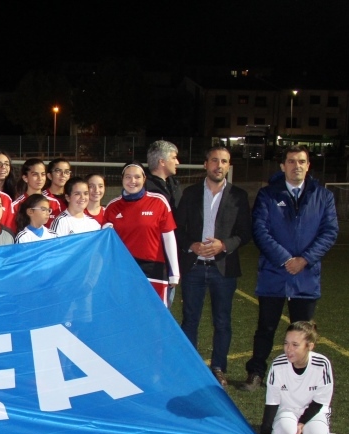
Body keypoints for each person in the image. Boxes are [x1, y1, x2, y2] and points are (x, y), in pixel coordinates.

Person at [244, 145, 338, 390]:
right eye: (291, 161)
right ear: (283, 166)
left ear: (308, 165)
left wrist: (304, 259)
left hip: (306, 276)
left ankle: (299, 378)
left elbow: (329, 232)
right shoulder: (268, 195)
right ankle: (256, 373)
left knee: (302, 333)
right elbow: (260, 231)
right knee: (265, 327)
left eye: (301, 161)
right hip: (274, 275)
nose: (297, 166)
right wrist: (286, 259)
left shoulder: (323, 195)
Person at [174, 145, 252, 387]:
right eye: (215, 160)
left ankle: (218, 367)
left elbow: (245, 233)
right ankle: (190, 368)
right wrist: (193, 246)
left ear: (229, 166)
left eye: (225, 161)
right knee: (190, 320)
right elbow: (178, 230)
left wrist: (224, 245)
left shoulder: (239, 196)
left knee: (222, 321)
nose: (220, 165)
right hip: (194, 267)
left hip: (223, 269)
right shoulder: (190, 193)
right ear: (205, 164)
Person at [103, 162, 179, 305]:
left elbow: (169, 237)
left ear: (144, 179)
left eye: (137, 177)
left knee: (155, 315)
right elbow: (106, 243)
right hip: (124, 269)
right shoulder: (112, 206)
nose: (132, 181)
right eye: (128, 177)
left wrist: (174, 272)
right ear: (122, 179)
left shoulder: (159, 202)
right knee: (126, 312)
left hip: (154, 268)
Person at [258, 322, 333, 434]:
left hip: (314, 411)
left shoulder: (322, 364)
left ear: (310, 346)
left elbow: (320, 401)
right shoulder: (278, 365)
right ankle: (290, 426)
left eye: (295, 345)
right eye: (286, 343)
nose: (288, 349)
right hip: (287, 409)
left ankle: (315, 426)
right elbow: (272, 402)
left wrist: (302, 423)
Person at [12, 159, 62, 228]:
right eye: (35, 174)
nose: (40, 178)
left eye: (43, 174)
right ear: (25, 178)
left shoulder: (54, 203)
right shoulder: (16, 205)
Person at [145, 140, 182, 210]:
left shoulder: (175, 184)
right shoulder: (145, 188)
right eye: (174, 158)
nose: (177, 162)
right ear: (162, 162)